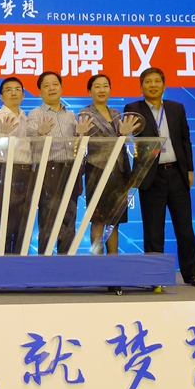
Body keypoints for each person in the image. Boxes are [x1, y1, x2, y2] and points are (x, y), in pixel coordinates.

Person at [124, 67, 195, 287]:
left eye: (157, 81)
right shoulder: (133, 108)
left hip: (177, 174)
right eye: (148, 82)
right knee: (153, 230)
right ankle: (155, 277)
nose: (153, 85)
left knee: (185, 228)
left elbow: (185, 140)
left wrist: (189, 170)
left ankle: (192, 274)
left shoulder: (176, 108)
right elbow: (132, 134)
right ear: (141, 86)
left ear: (164, 84)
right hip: (152, 175)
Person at [27, 71, 92, 255]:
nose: (51, 88)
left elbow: (77, 144)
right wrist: (39, 132)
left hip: (70, 169)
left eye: (55, 84)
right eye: (46, 85)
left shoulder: (71, 115)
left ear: (61, 88)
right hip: (48, 170)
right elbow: (29, 135)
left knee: (69, 217)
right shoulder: (35, 114)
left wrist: (81, 135)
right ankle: (45, 263)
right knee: (48, 218)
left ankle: (66, 262)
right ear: (40, 91)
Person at [79, 74, 135, 255]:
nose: (102, 90)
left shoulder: (117, 114)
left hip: (118, 172)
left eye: (105, 86)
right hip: (97, 171)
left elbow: (123, 142)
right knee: (98, 221)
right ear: (89, 91)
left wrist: (125, 135)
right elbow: (88, 141)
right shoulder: (85, 114)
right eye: (97, 86)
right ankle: (98, 264)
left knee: (113, 222)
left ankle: (113, 263)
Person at [0, 77, 34, 254]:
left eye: (17, 89)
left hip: (27, 172)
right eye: (8, 90)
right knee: (6, 223)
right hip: (6, 170)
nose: (14, 93)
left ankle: (21, 262)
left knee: (24, 223)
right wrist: (5, 129)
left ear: (23, 95)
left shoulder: (26, 118)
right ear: (1, 96)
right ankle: (3, 264)